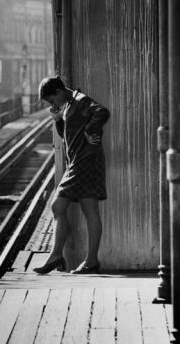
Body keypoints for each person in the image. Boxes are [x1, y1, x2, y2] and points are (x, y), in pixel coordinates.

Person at [33, 76, 110, 274]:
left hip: (86, 161)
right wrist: (58, 120)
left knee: (59, 205)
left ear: (59, 91)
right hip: (79, 162)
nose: (52, 104)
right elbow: (67, 135)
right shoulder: (68, 105)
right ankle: (86, 260)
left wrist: (91, 130)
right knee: (88, 208)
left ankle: (59, 256)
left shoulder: (81, 101)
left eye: (52, 100)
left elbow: (102, 112)